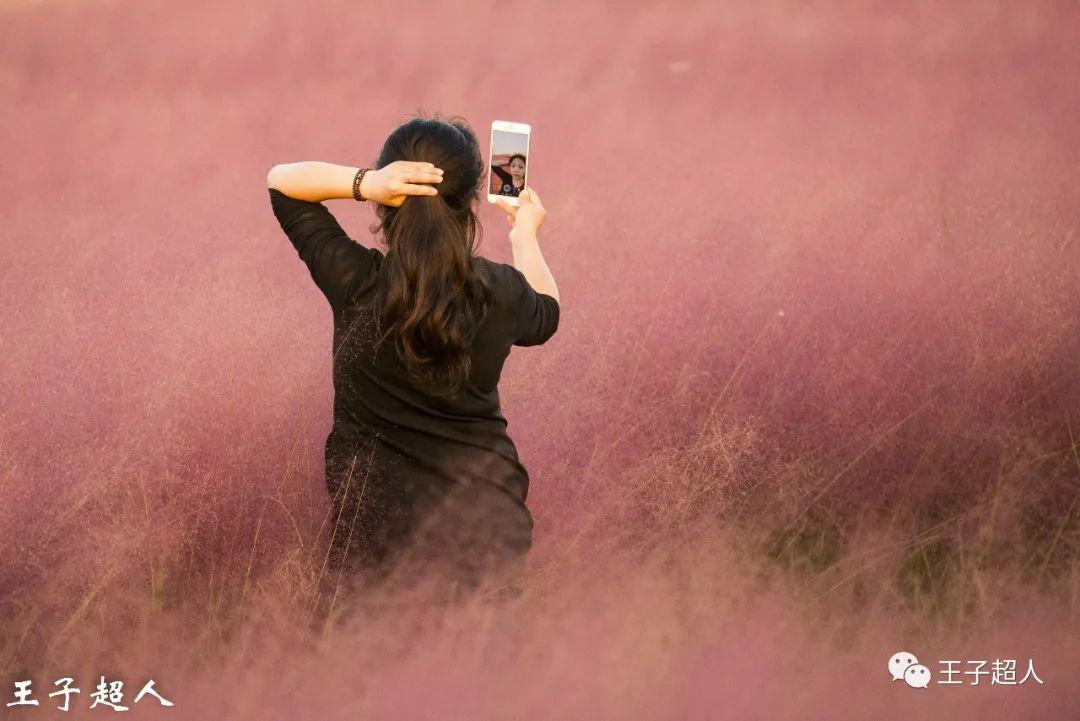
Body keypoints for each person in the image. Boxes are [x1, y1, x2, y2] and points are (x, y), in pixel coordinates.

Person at [266, 116, 559, 605]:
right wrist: (524, 234)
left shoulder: (355, 282)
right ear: (470, 204)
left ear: (389, 200)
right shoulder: (501, 293)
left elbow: (283, 183)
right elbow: (546, 313)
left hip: (375, 544)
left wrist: (365, 183)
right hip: (487, 531)